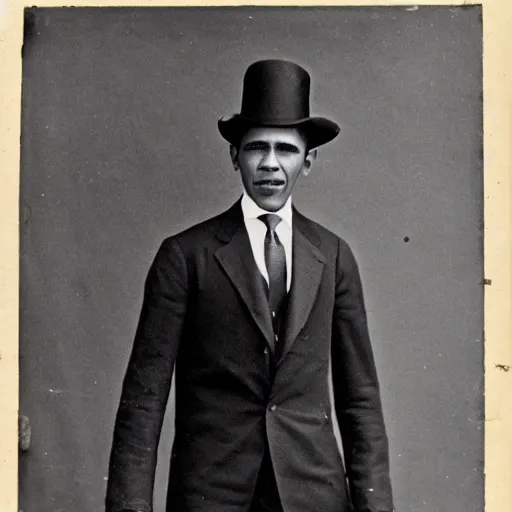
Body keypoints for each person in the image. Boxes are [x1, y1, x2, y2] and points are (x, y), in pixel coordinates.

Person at [106, 59, 394, 512]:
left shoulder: (335, 256)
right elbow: (143, 402)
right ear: (234, 155)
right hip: (211, 497)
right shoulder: (185, 256)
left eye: (286, 150)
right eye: (257, 147)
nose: (271, 164)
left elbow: (360, 403)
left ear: (309, 160)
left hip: (313, 498)